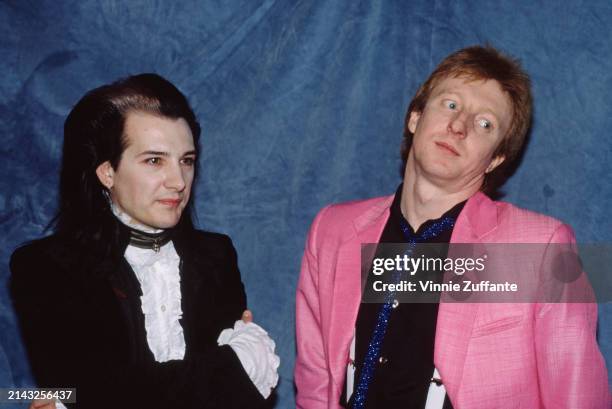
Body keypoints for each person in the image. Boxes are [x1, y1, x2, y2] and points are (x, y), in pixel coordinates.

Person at [295, 46, 610, 408]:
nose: (458, 126)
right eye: (450, 104)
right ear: (415, 116)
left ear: (496, 158)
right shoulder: (332, 230)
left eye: (484, 123)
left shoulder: (542, 249)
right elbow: (316, 386)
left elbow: (578, 399)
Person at [10, 73, 279, 409]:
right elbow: (89, 394)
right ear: (107, 171)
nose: (178, 181)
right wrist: (239, 362)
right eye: (155, 160)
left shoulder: (215, 256)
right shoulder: (47, 268)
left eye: (187, 160)